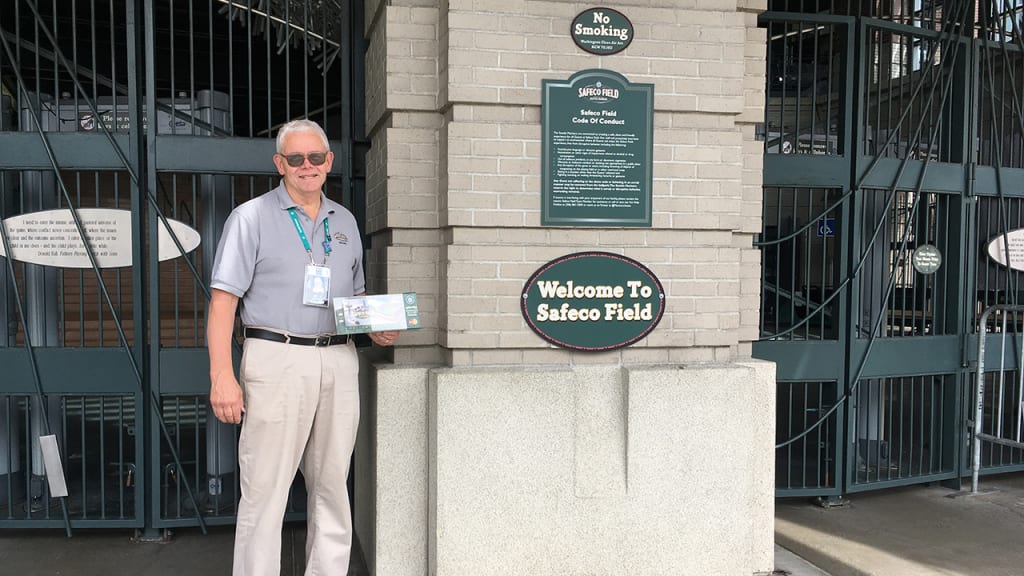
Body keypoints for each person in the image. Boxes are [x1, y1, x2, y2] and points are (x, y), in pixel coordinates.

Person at [206, 118, 399, 576]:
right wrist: (221, 375)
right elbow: (222, 303)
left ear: (329, 162)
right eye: (296, 158)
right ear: (280, 164)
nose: (307, 166)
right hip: (277, 358)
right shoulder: (249, 218)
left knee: (332, 484)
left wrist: (374, 324)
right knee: (265, 490)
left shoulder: (345, 221)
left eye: (316, 157)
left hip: (337, 358)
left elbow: (352, 298)